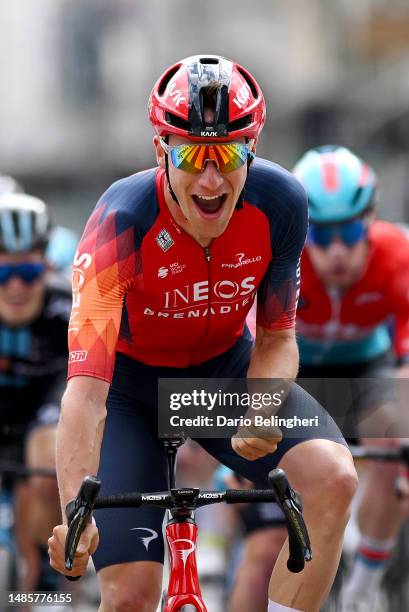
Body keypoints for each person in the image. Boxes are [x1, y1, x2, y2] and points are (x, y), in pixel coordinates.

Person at [48, 55, 357, 612]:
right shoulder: (119, 221)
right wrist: (75, 511)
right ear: (160, 150)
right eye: (192, 154)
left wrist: (263, 408)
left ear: (252, 151)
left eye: (230, 154)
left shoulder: (280, 202)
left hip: (216, 380)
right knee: (129, 598)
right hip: (128, 394)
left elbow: (276, 337)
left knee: (333, 479)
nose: (212, 179)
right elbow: (87, 390)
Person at [232, 145, 409, 612]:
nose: (335, 251)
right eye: (321, 234)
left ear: (370, 219)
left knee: (394, 431)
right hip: (294, 376)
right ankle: (209, 556)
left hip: (363, 375)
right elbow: (246, 356)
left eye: (350, 232)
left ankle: (363, 589)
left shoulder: (397, 254)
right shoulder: (277, 256)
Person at [0, 191, 72, 594]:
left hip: (43, 404)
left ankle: (48, 585)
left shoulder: (66, 306)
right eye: (2, 274)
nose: (15, 287)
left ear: (46, 266)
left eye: (27, 274)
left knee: (46, 459)